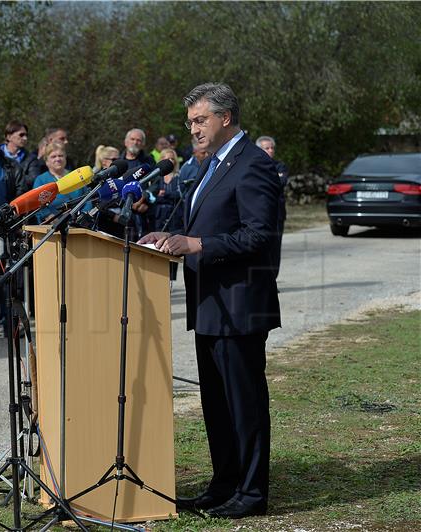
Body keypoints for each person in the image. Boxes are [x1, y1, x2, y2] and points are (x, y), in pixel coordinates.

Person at [139, 83, 280, 519]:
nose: (193, 129)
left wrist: (197, 243)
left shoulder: (252, 165)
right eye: (190, 122)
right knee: (216, 404)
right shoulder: (212, 165)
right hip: (210, 305)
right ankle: (224, 484)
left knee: (244, 404)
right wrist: (170, 235)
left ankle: (252, 493)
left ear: (225, 117)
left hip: (239, 304)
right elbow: (203, 220)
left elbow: (259, 235)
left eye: (200, 120)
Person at [256, 135, 289, 278]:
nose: (270, 151)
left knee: (275, 248)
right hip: (258, 214)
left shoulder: (280, 166)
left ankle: (272, 279)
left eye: (272, 148)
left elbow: (279, 183)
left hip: (277, 214)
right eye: (266, 148)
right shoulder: (253, 167)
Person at [33, 142, 90, 223]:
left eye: (61, 156)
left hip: (79, 224)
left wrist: (84, 215)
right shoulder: (41, 180)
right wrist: (48, 216)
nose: (58, 159)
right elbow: (36, 202)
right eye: (53, 156)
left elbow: (87, 198)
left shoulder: (77, 176)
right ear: (46, 161)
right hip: (51, 226)